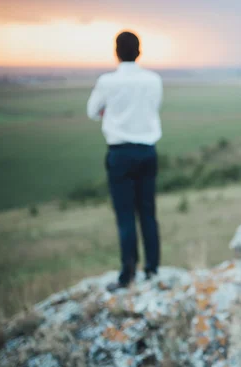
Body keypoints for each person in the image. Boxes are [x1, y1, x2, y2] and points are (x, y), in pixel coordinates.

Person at [87, 31, 163, 292]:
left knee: (125, 217)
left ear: (116, 52)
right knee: (148, 214)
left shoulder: (107, 82)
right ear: (139, 51)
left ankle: (128, 274)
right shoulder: (153, 80)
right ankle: (152, 269)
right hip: (147, 152)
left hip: (119, 154)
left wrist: (113, 111)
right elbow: (153, 107)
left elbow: (92, 111)